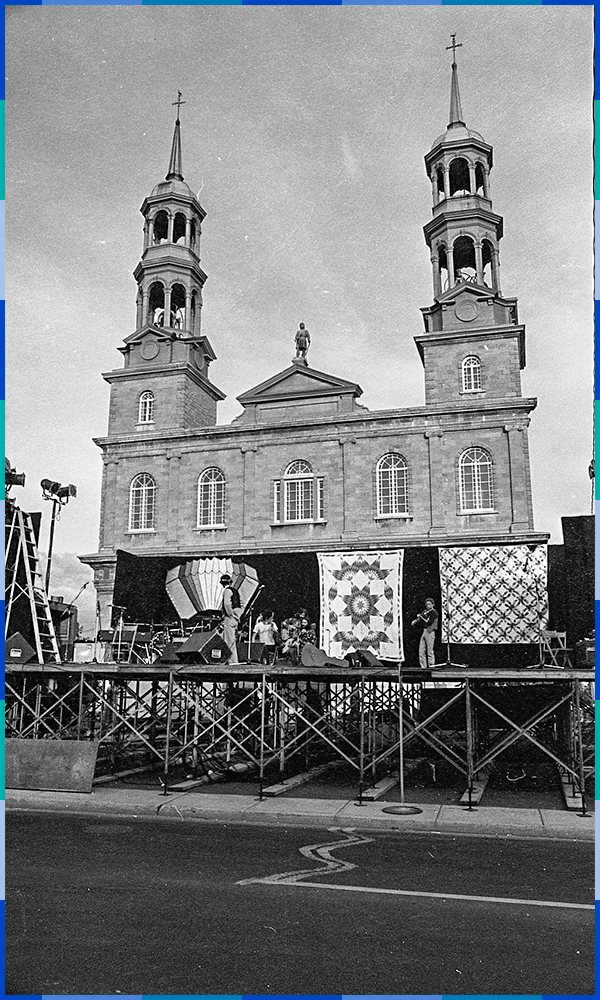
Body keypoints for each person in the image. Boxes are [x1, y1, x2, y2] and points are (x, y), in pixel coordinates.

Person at [220, 573, 242, 665]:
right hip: (235, 618)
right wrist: (237, 616)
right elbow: (241, 604)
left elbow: (227, 604)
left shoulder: (227, 591)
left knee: (228, 642)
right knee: (232, 641)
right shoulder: (235, 591)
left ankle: (231, 663)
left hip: (230, 618)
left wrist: (230, 614)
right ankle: (232, 662)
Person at [412, 597, 438, 669]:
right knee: (421, 650)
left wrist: (421, 617)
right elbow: (420, 617)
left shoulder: (434, 612)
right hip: (425, 631)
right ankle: (423, 666)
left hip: (430, 631)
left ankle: (431, 666)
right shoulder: (425, 611)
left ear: (433, 605)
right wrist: (415, 621)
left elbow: (429, 622)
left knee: (430, 651)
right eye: (427, 604)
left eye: (429, 604)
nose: (428, 606)